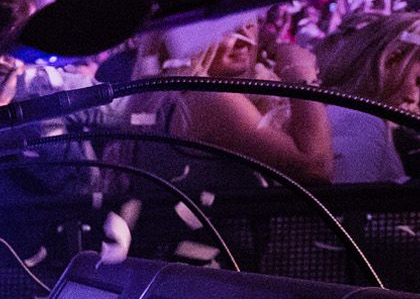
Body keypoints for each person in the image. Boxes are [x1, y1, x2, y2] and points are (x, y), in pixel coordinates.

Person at [129, 19, 333, 187]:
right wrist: (300, 72)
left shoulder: (169, 86)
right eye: (231, 28)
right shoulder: (204, 97)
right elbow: (314, 168)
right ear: (191, 35)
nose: (245, 41)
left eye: (250, 25)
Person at [313, 12, 420, 183]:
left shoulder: (356, 114)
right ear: (392, 59)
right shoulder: (359, 120)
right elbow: (349, 205)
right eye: (418, 80)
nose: (415, 99)